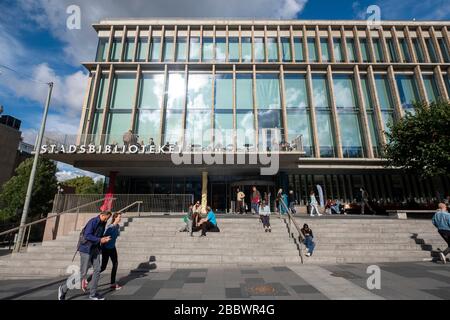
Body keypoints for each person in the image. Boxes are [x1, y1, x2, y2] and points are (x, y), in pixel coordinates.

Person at [58, 211, 112, 301]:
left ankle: (93, 294)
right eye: (106, 218)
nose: (107, 220)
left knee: (97, 270)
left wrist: (104, 239)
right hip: (86, 249)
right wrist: (100, 239)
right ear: (101, 215)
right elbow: (87, 235)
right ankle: (63, 289)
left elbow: (99, 235)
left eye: (108, 218)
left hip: (95, 249)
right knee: (83, 273)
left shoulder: (103, 223)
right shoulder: (93, 221)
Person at [97, 212, 122, 290]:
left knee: (115, 263)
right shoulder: (110, 227)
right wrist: (102, 248)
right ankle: (88, 280)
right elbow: (104, 237)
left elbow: (116, 236)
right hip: (106, 248)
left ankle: (112, 283)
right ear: (115, 218)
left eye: (120, 217)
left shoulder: (117, 226)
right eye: (119, 217)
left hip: (112, 248)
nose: (120, 218)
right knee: (103, 267)